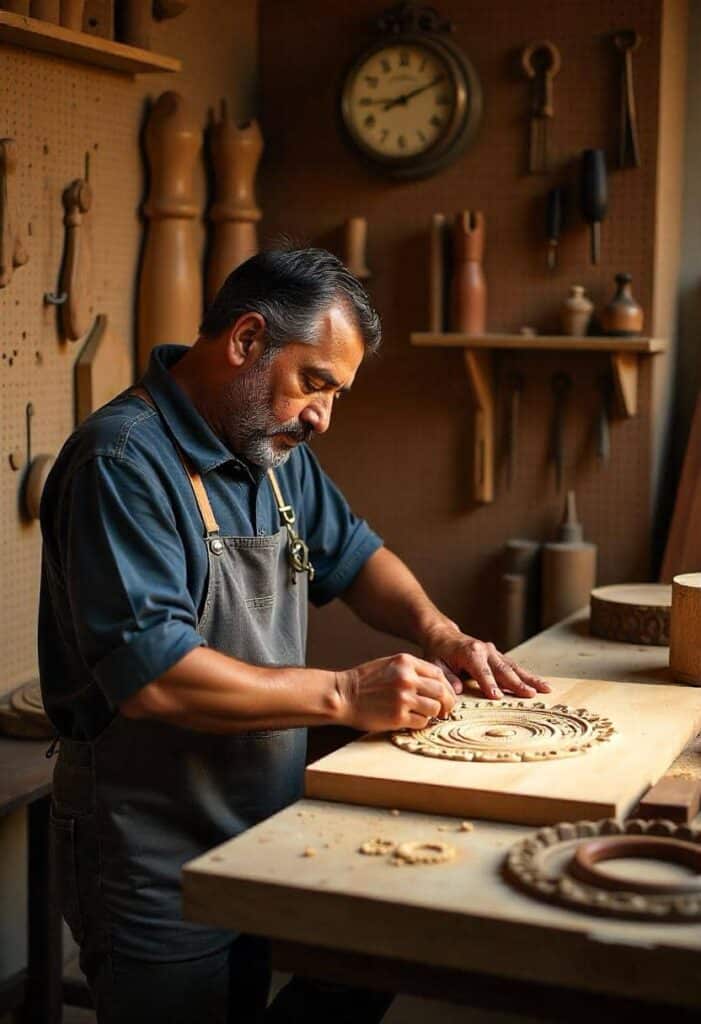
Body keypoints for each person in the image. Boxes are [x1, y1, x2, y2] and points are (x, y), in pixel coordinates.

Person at [39, 248, 548, 1023]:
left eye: (335, 394)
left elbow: (356, 556)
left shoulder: (269, 450)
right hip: (149, 842)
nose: (321, 417)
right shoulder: (122, 462)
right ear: (246, 340)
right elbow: (155, 678)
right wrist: (346, 693)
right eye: (315, 383)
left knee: (360, 965)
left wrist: (443, 636)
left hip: (266, 820)